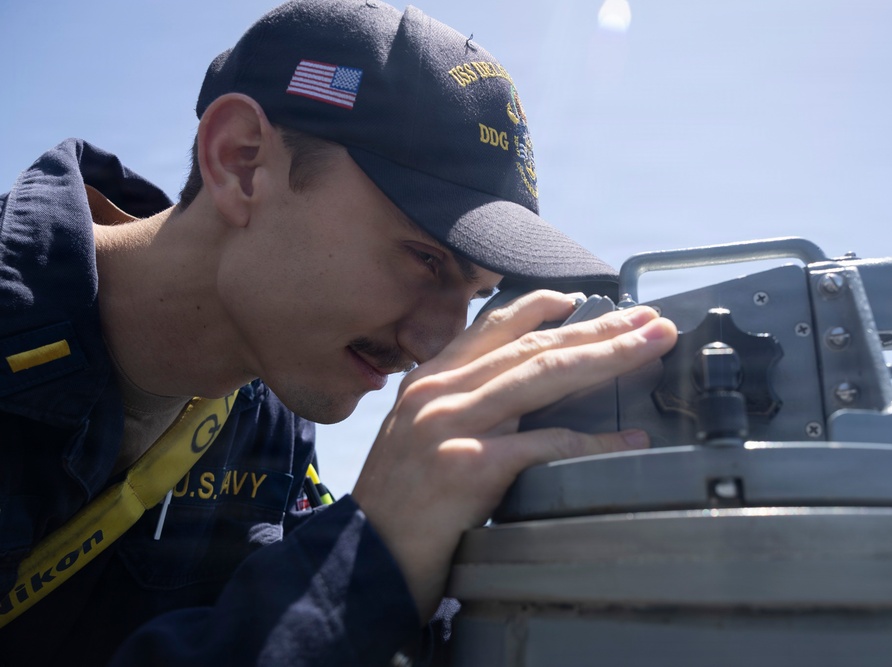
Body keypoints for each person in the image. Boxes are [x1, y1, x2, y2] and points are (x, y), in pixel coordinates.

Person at [0, 0, 677, 664]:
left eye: (476, 295)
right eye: (426, 258)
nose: (433, 345)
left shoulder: (267, 412)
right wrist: (366, 556)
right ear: (242, 161)